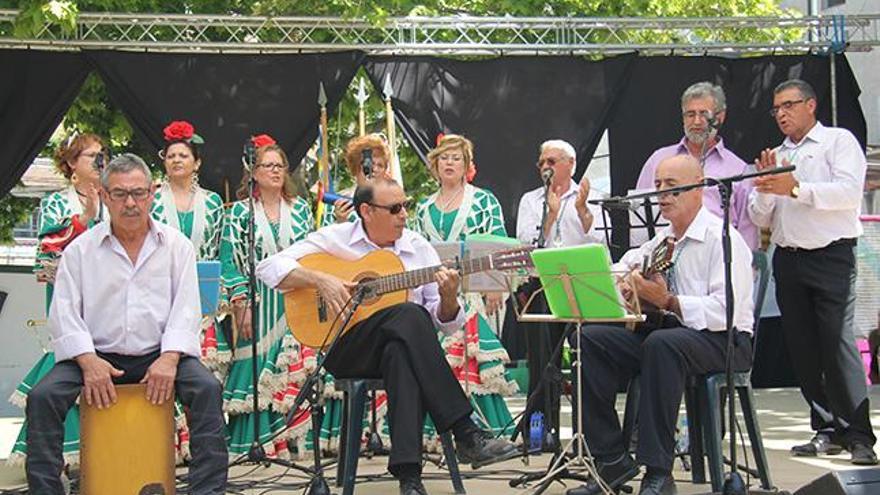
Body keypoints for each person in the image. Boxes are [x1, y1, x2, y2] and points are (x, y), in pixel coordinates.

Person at [256, 177, 518, 495]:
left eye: (405, 206)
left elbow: (446, 323)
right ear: (366, 211)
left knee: (401, 350)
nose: (404, 215)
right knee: (410, 315)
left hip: (399, 350)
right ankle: (465, 432)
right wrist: (320, 279)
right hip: (347, 346)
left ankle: (409, 478)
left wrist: (449, 297)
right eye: (394, 208)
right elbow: (268, 267)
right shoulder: (336, 238)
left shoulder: (418, 248)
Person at [25, 153, 227, 495]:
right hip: (96, 356)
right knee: (42, 397)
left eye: (138, 193)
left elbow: (186, 308)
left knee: (207, 389)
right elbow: (65, 313)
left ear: (152, 193)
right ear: (104, 197)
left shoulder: (176, 246)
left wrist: (170, 357)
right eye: (119, 194)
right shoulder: (81, 251)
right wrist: (88, 361)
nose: (130, 203)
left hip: (160, 353)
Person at [567, 154, 754, 495]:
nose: (662, 195)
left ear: (698, 190)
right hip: (669, 338)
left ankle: (658, 471)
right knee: (588, 338)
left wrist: (667, 301)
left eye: (672, 187)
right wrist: (625, 288)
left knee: (661, 344)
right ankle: (611, 460)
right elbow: (619, 270)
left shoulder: (722, 238)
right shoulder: (659, 243)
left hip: (724, 340)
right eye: (657, 187)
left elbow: (725, 311)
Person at [748, 78, 877, 465]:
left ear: (811, 105)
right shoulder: (778, 154)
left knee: (836, 343)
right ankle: (825, 429)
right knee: (802, 347)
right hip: (788, 256)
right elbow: (759, 217)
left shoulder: (838, 142)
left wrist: (794, 187)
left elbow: (848, 194)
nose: (782, 114)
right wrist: (764, 189)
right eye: (777, 109)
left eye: (789, 105)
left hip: (832, 256)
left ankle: (859, 435)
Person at [7, 133, 108, 467]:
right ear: (71, 164)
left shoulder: (115, 198)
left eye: (101, 154)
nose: (99, 160)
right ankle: (63, 460)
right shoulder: (56, 201)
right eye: (91, 155)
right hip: (70, 301)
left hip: (108, 303)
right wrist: (86, 217)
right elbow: (48, 254)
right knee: (68, 371)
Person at [413, 134, 518, 442]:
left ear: (467, 166)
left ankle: (482, 430)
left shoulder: (484, 200)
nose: (449, 163)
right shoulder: (423, 207)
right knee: (439, 361)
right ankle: (441, 433)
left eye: (456, 158)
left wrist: (496, 285)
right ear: (435, 164)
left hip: (473, 291)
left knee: (473, 357)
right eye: (443, 158)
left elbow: (498, 243)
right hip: (436, 293)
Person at [220, 134, 316, 458]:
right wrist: (241, 302)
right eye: (267, 165)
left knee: (293, 370)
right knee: (257, 373)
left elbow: (314, 255)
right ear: (254, 172)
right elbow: (229, 263)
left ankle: (293, 439)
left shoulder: (301, 209)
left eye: (279, 166)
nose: (274, 171)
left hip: (295, 300)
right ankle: (258, 441)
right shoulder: (238, 213)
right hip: (259, 302)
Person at [514, 139, 605, 451]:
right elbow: (525, 247)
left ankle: (588, 434)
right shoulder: (531, 200)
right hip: (544, 285)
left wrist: (582, 213)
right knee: (543, 361)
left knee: (585, 359)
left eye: (552, 161)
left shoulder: (592, 196)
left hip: (583, 285)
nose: (545, 167)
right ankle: (541, 433)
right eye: (542, 162)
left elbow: (602, 245)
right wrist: (550, 216)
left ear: (571, 164)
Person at [635, 82, 757, 249]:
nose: (697, 121)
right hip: (663, 255)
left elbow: (747, 231)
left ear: (720, 117)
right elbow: (640, 214)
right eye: (690, 114)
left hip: (716, 257)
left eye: (704, 114)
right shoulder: (659, 159)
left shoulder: (737, 168)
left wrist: (744, 268)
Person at [151, 120, 228, 376]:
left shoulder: (213, 201)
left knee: (202, 375)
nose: (176, 160)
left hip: (200, 296)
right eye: (171, 155)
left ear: (197, 163)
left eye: (183, 155)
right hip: (159, 293)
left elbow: (219, 250)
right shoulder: (151, 199)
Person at [324, 133, 392, 226]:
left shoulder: (393, 201)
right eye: (369, 164)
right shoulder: (337, 202)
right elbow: (326, 238)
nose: (374, 169)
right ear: (355, 168)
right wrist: (341, 222)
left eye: (380, 165)